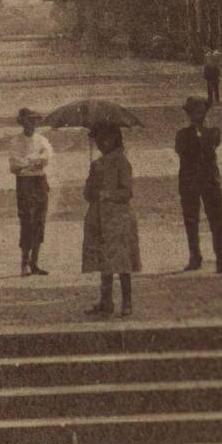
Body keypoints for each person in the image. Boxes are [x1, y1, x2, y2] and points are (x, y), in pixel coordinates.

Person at [82, 122, 140, 318]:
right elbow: (88, 195)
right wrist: (91, 183)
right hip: (98, 217)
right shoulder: (97, 164)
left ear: (115, 139)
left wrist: (108, 194)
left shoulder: (122, 163)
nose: (102, 143)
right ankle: (106, 301)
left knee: (122, 261)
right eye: (98, 140)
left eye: (106, 139)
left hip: (118, 218)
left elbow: (127, 192)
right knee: (103, 261)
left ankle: (127, 302)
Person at [175, 96, 222, 274]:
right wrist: (196, 134)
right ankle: (195, 257)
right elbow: (182, 151)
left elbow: (212, 146)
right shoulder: (182, 134)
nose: (199, 115)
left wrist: (200, 135)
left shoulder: (213, 132)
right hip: (189, 182)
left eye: (202, 111)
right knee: (191, 220)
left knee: (219, 220)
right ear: (189, 114)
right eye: (195, 112)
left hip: (210, 181)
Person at [9, 106, 53, 275]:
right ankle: (24, 262)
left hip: (40, 182)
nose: (32, 124)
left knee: (40, 221)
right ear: (22, 123)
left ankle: (35, 262)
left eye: (34, 121)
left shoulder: (42, 140)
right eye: (28, 121)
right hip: (24, 184)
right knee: (27, 220)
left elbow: (47, 156)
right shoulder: (16, 141)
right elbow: (14, 165)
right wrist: (34, 161)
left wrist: (29, 162)